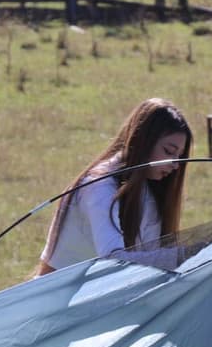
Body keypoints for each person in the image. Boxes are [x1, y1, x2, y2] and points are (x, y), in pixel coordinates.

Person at [36, 98, 192, 274]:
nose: (175, 165)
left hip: (99, 294)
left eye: (179, 156)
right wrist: (187, 254)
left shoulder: (147, 190)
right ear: (144, 141)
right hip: (59, 296)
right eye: (169, 152)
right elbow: (113, 259)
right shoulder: (98, 186)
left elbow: (151, 256)